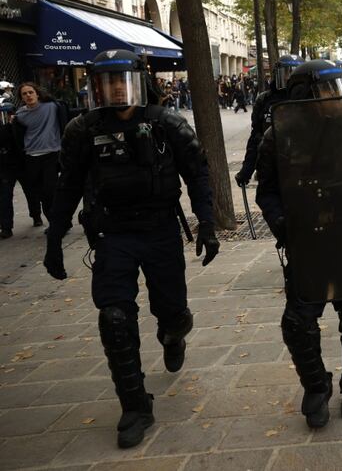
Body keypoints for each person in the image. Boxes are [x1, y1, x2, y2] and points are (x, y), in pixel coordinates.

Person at [42, 49, 219, 448]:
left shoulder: (167, 123)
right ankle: (135, 404)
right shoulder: (82, 130)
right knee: (115, 317)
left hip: (160, 232)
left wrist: (206, 225)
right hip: (112, 234)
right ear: (96, 87)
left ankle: (173, 335)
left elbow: (198, 175)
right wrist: (55, 238)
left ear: (139, 82)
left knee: (173, 315)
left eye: (122, 80)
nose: (116, 89)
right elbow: (68, 185)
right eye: (107, 82)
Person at [256, 60, 342, 427]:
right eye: (325, 90)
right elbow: (268, 192)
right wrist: (285, 227)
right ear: (304, 96)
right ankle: (315, 386)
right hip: (305, 241)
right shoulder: (277, 136)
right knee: (297, 321)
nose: (333, 98)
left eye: (336, 89)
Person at [234, 55, 302, 188]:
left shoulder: (308, 100)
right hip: (270, 166)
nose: (289, 78)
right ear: (277, 74)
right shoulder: (264, 100)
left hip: (300, 168)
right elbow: (256, 137)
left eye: (293, 73)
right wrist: (246, 171)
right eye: (286, 72)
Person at [14, 82, 67, 226]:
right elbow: (18, 135)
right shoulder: (20, 115)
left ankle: (58, 222)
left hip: (51, 154)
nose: (28, 95)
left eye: (30, 92)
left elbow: (64, 117)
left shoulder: (52, 107)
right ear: (21, 98)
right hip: (31, 156)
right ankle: (53, 222)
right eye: (24, 94)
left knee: (51, 191)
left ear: (37, 93)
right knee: (40, 193)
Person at [0, 102, 23, 238]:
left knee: (32, 192)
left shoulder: (18, 125)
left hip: (20, 163)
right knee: (4, 196)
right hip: (4, 166)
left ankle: (36, 214)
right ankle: (6, 227)